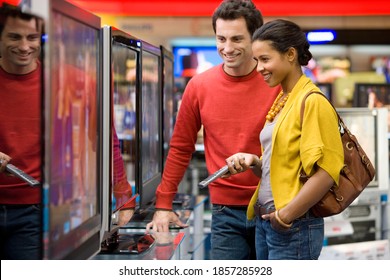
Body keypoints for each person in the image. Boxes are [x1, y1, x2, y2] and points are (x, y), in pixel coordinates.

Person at [146, 0, 280, 260]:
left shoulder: (277, 83)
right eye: (221, 38)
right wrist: (163, 204)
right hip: (225, 211)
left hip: (274, 207)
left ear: (255, 38)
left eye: (237, 39)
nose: (227, 48)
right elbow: (181, 147)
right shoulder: (199, 86)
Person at [225, 19, 344, 259]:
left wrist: (286, 215)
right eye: (257, 60)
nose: (259, 68)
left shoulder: (312, 101)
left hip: (293, 226)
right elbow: (285, 169)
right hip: (268, 223)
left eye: (265, 59)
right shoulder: (284, 99)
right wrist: (255, 162)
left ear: (290, 54)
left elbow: (328, 171)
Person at [0, 5, 43, 260]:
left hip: (34, 212)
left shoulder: (57, 84)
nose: (25, 46)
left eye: (32, 38)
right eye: (15, 37)